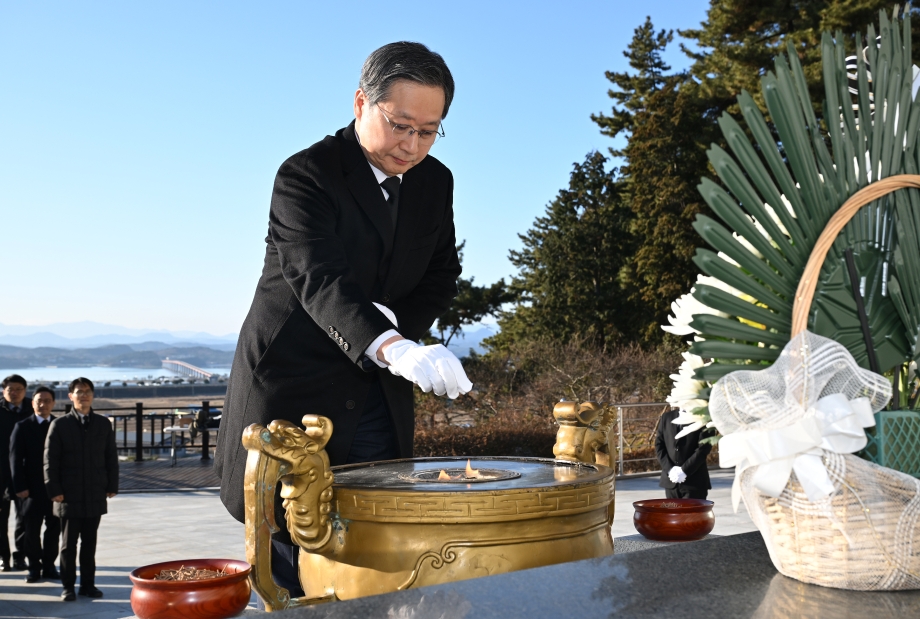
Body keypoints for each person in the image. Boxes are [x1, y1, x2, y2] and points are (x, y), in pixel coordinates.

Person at [215, 41, 471, 595]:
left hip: (376, 393)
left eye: (429, 132)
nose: (412, 145)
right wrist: (394, 346)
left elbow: (441, 272)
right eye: (400, 125)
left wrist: (396, 328)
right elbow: (319, 279)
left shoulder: (435, 181)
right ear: (361, 103)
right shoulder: (306, 175)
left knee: (373, 544)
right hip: (295, 389)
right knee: (294, 554)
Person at [44, 377, 118, 601]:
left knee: (89, 543)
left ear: (93, 395)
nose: (84, 395)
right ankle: (68, 586)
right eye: (79, 391)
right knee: (68, 545)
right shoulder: (60, 425)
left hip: (95, 491)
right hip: (68, 494)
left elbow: (111, 457)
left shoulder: (103, 424)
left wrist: (112, 484)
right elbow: (50, 460)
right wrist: (53, 489)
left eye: (87, 391)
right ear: (71, 396)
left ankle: (88, 585)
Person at [10, 386, 60, 582]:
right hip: (31, 489)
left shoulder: (60, 425)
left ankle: (49, 566)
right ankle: (33, 567)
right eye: (39, 401)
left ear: (53, 403)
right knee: (31, 530)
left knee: (54, 530)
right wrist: (19, 486)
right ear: (32, 403)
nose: (43, 404)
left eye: (47, 401)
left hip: (55, 488)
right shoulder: (22, 426)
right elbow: (15, 459)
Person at [1, 374, 32, 571]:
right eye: (10, 389)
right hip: (1, 472)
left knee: (24, 518)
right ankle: (3, 557)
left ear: (25, 390)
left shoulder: (32, 408)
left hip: (25, 472)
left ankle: (20, 556)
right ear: (3, 391)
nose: (14, 393)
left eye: (18, 389)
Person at [655, 408, 712, 499]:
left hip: (694, 483)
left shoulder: (703, 417)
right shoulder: (666, 417)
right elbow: (659, 445)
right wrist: (670, 469)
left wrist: (684, 470)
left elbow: (703, 448)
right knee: (672, 509)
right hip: (671, 482)